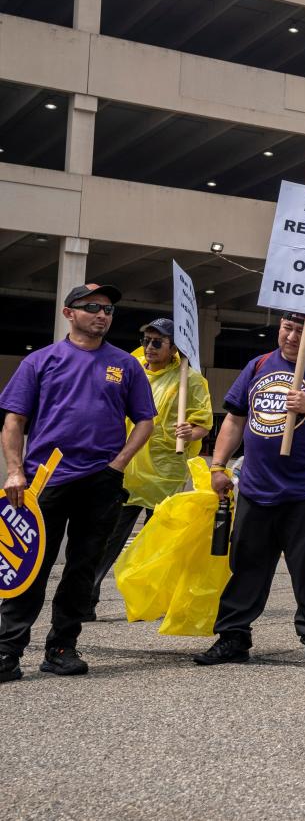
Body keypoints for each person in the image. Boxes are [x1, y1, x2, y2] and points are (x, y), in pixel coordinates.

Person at [0, 283, 156, 683]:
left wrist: (119, 464)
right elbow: (14, 421)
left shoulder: (126, 364)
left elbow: (145, 420)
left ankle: (62, 648)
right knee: (30, 566)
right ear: (69, 313)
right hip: (44, 481)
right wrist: (15, 471)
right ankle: (7, 649)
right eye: (92, 307)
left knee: (82, 569)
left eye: (107, 310)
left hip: (101, 482)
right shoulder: (41, 361)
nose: (102, 315)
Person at [193, 313, 305, 668]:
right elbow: (236, 418)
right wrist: (218, 465)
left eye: (301, 331)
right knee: (247, 566)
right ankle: (233, 637)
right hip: (256, 487)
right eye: (287, 328)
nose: (291, 336)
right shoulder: (258, 365)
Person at [89, 317, 213, 616]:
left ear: (173, 348)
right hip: (128, 466)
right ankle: (86, 599)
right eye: (146, 339)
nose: (149, 346)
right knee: (107, 539)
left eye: (158, 342)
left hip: (165, 471)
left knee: (161, 542)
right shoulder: (131, 365)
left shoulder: (190, 379)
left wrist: (191, 431)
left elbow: (203, 422)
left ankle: (157, 601)